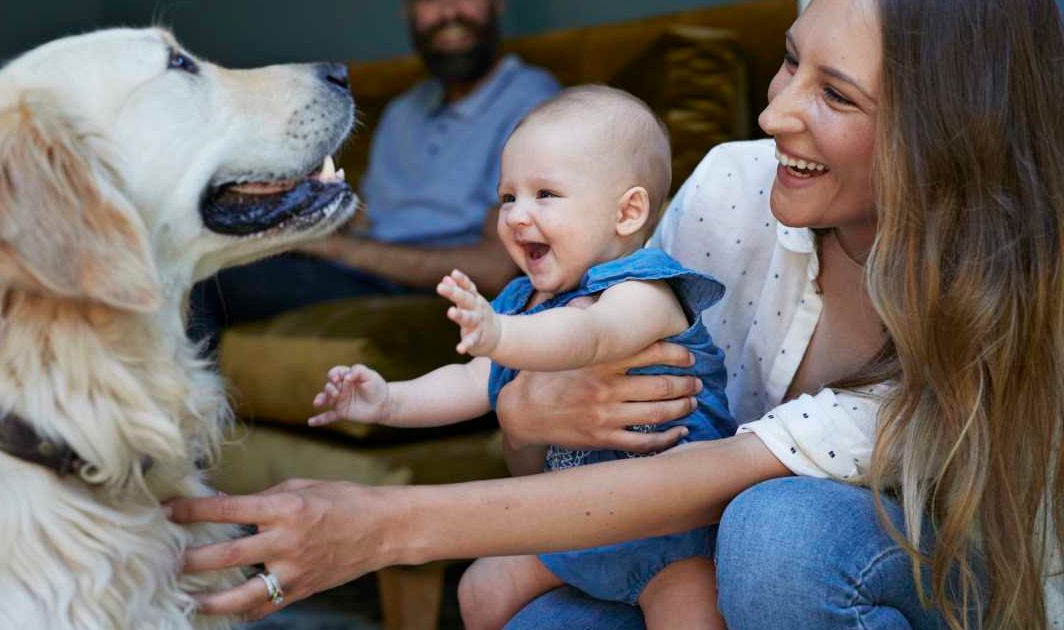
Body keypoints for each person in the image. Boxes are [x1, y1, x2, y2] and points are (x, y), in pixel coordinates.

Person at [169, 0, 1064, 627]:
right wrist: (522, 409)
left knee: (780, 535)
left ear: (942, 133)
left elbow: (714, 477)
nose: (772, 108)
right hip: (692, 538)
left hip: (925, 581)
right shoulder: (731, 187)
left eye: (836, 94)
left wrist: (378, 527)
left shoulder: (992, 299)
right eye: (792, 57)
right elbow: (555, 427)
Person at [308, 86, 734, 629]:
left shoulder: (645, 292)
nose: (515, 215)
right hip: (571, 526)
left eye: (545, 194)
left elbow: (588, 335)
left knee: (691, 615)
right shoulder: (523, 303)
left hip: (672, 538)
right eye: (508, 197)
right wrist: (388, 401)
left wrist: (500, 334)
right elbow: (472, 381)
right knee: (481, 588)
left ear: (626, 213)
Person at [187, 0, 559, 347]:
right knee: (200, 255)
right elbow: (367, 219)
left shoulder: (533, 103)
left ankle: (172, 417)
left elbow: (495, 269)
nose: (448, 12)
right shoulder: (403, 112)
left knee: (207, 283)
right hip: (355, 273)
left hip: (422, 289)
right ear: (408, 12)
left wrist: (332, 247)